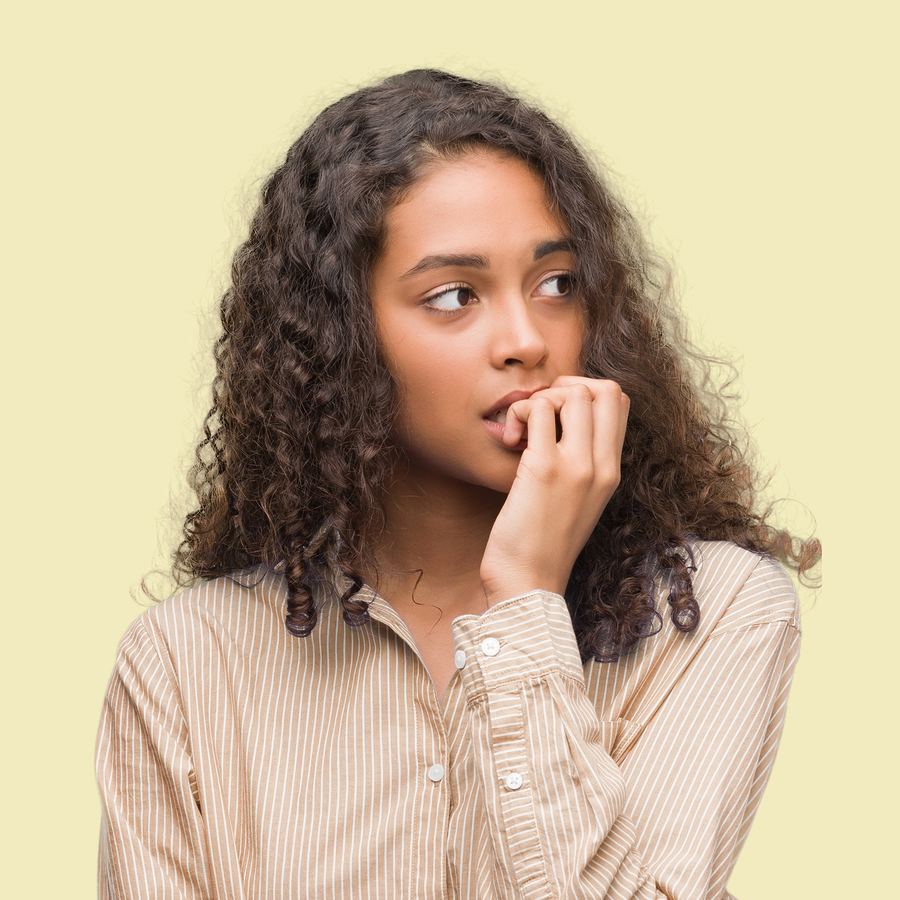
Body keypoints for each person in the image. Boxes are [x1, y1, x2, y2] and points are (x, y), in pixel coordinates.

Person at [95, 69, 820, 899]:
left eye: (557, 284)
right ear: (342, 339)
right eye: (452, 297)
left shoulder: (716, 613)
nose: (525, 339)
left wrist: (525, 600)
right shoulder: (184, 666)